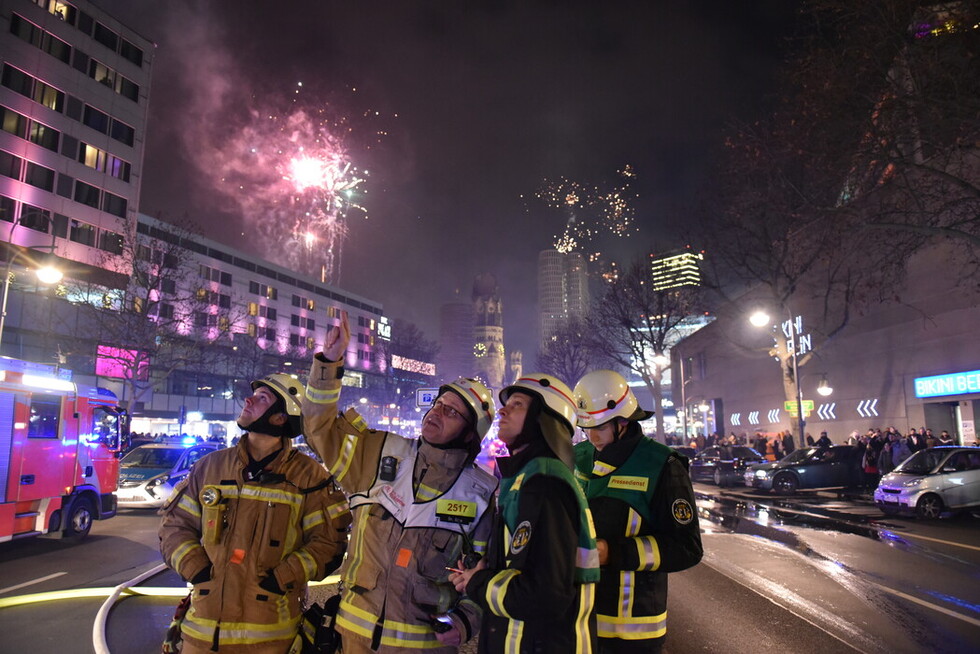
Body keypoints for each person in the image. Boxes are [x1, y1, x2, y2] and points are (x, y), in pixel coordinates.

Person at [303, 311, 498, 653]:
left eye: (451, 411)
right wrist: (328, 367)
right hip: (351, 641)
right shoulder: (381, 452)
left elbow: (489, 576)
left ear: (471, 433)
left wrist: (467, 621)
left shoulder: (481, 495)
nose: (436, 412)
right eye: (437, 404)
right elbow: (320, 430)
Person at [159, 374, 351, 654]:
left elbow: (328, 543)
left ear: (280, 417)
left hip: (271, 639)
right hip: (202, 636)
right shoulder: (210, 467)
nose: (248, 400)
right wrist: (198, 571)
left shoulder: (310, 477)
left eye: (262, 398)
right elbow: (175, 526)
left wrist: (282, 579)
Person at [450, 374, 600, 653]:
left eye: (517, 404)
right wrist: (487, 570)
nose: (503, 409)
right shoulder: (530, 477)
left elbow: (546, 595)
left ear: (545, 419)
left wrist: (478, 582)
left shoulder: (543, 483)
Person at [569, 370, 702, 653]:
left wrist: (612, 552)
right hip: (578, 621)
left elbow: (686, 548)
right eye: (586, 428)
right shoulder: (577, 458)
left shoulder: (662, 465)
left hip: (632, 633)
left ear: (624, 422)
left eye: (600, 427)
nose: (592, 437)